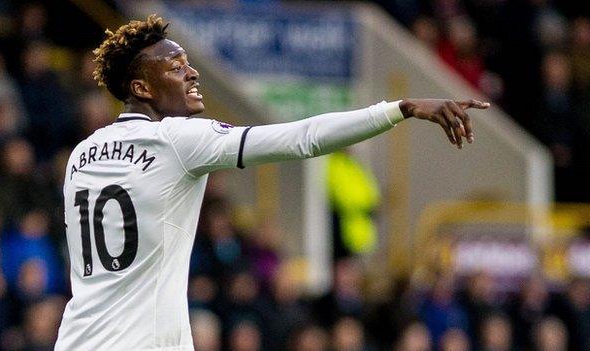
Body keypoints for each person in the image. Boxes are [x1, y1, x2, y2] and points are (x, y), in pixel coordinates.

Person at [55, 14, 489, 351]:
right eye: (175, 67)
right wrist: (401, 108)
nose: (192, 74)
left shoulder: (81, 155)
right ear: (141, 87)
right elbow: (302, 139)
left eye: (189, 63)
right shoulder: (176, 139)